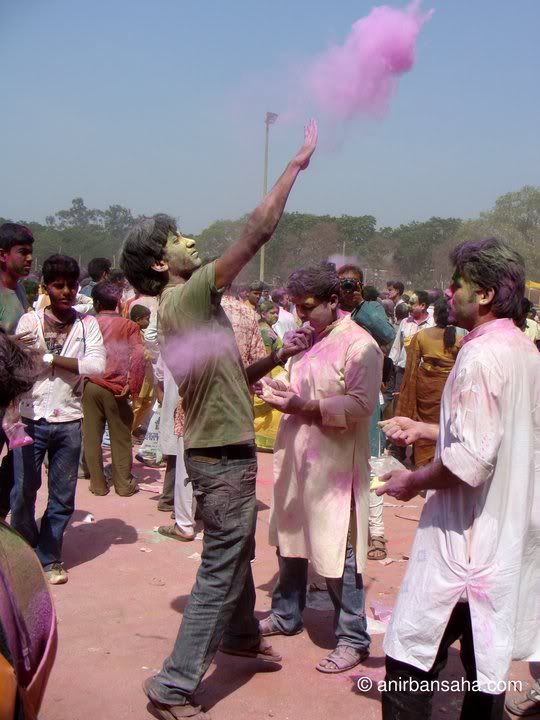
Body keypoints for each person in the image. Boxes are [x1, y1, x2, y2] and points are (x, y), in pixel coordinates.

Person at [120, 120, 317, 720]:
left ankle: (237, 637)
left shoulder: (183, 312)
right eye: (177, 237)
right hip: (220, 457)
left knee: (235, 551)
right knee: (221, 562)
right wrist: (295, 166)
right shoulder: (189, 294)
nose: (189, 239)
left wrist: (280, 355)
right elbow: (257, 231)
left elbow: (230, 382)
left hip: (216, 448)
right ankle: (174, 684)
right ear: (162, 263)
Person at [377, 238, 540, 719]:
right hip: (503, 537)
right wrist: (430, 428)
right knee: (481, 661)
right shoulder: (524, 350)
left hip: (463, 545)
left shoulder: (479, 358)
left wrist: (412, 480)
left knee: (409, 657)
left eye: (458, 285)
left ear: (485, 294)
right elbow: (507, 434)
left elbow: (470, 462)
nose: (448, 293)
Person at [256, 263, 383, 673]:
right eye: (295, 307)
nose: (301, 315)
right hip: (297, 456)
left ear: (333, 301)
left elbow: (362, 405)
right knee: (290, 537)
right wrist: (280, 389)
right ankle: (287, 613)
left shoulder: (360, 345)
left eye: (308, 307)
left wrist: (303, 407)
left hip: (335, 469)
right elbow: (302, 387)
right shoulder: (307, 339)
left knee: (338, 551)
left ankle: (352, 636)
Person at [10, 255, 106, 585]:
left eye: (71, 285)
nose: (66, 291)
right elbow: (18, 366)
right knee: (23, 491)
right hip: (30, 418)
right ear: (47, 287)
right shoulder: (29, 321)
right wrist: (68, 363)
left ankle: (50, 556)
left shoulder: (87, 324)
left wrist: (50, 358)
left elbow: (96, 366)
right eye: (58, 285)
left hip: (69, 419)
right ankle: (27, 540)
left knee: (62, 495)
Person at [338, 263, 395, 560]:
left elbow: (388, 335)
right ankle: (345, 537)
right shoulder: (331, 311)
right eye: (342, 283)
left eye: (353, 283)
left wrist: (361, 305)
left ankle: (377, 534)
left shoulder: (370, 310)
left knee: (370, 467)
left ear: (361, 285)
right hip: (336, 399)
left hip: (367, 402)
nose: (347, 289)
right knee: (338, 470)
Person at [82, 282, 145, 496]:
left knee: (91, 436)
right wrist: (133, 385)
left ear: (96, 303)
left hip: (90, 384)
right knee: (120, 438)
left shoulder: (86, 323)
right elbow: (138, 356)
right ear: (118, 302)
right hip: (117, 387)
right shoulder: (129, 326)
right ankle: (124, 485)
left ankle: (98, 485)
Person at [396, 297, 463, 467]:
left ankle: (423, 465)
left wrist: (407, 394)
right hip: (451, 388)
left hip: (425, 388)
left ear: (435, 316)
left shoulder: (421, 336)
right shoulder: (461, 337)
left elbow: (411, 368)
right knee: (446, 424)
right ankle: (443, 465)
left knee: (424, 425)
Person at [0, 223, 35, 518]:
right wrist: (9, 341)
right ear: (2, 255)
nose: (29, 259)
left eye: (30, 253)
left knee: (17, 464)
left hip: (14, 396)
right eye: (23, 252)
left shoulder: (21, 290)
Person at [254, 301, 283, 451]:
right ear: (263, 314)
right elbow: (265, 358)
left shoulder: (270, 330)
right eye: (273, 313)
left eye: (277, 313)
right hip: (269, 375)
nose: (276, 316)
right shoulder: (265, 332)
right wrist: (268, 382)